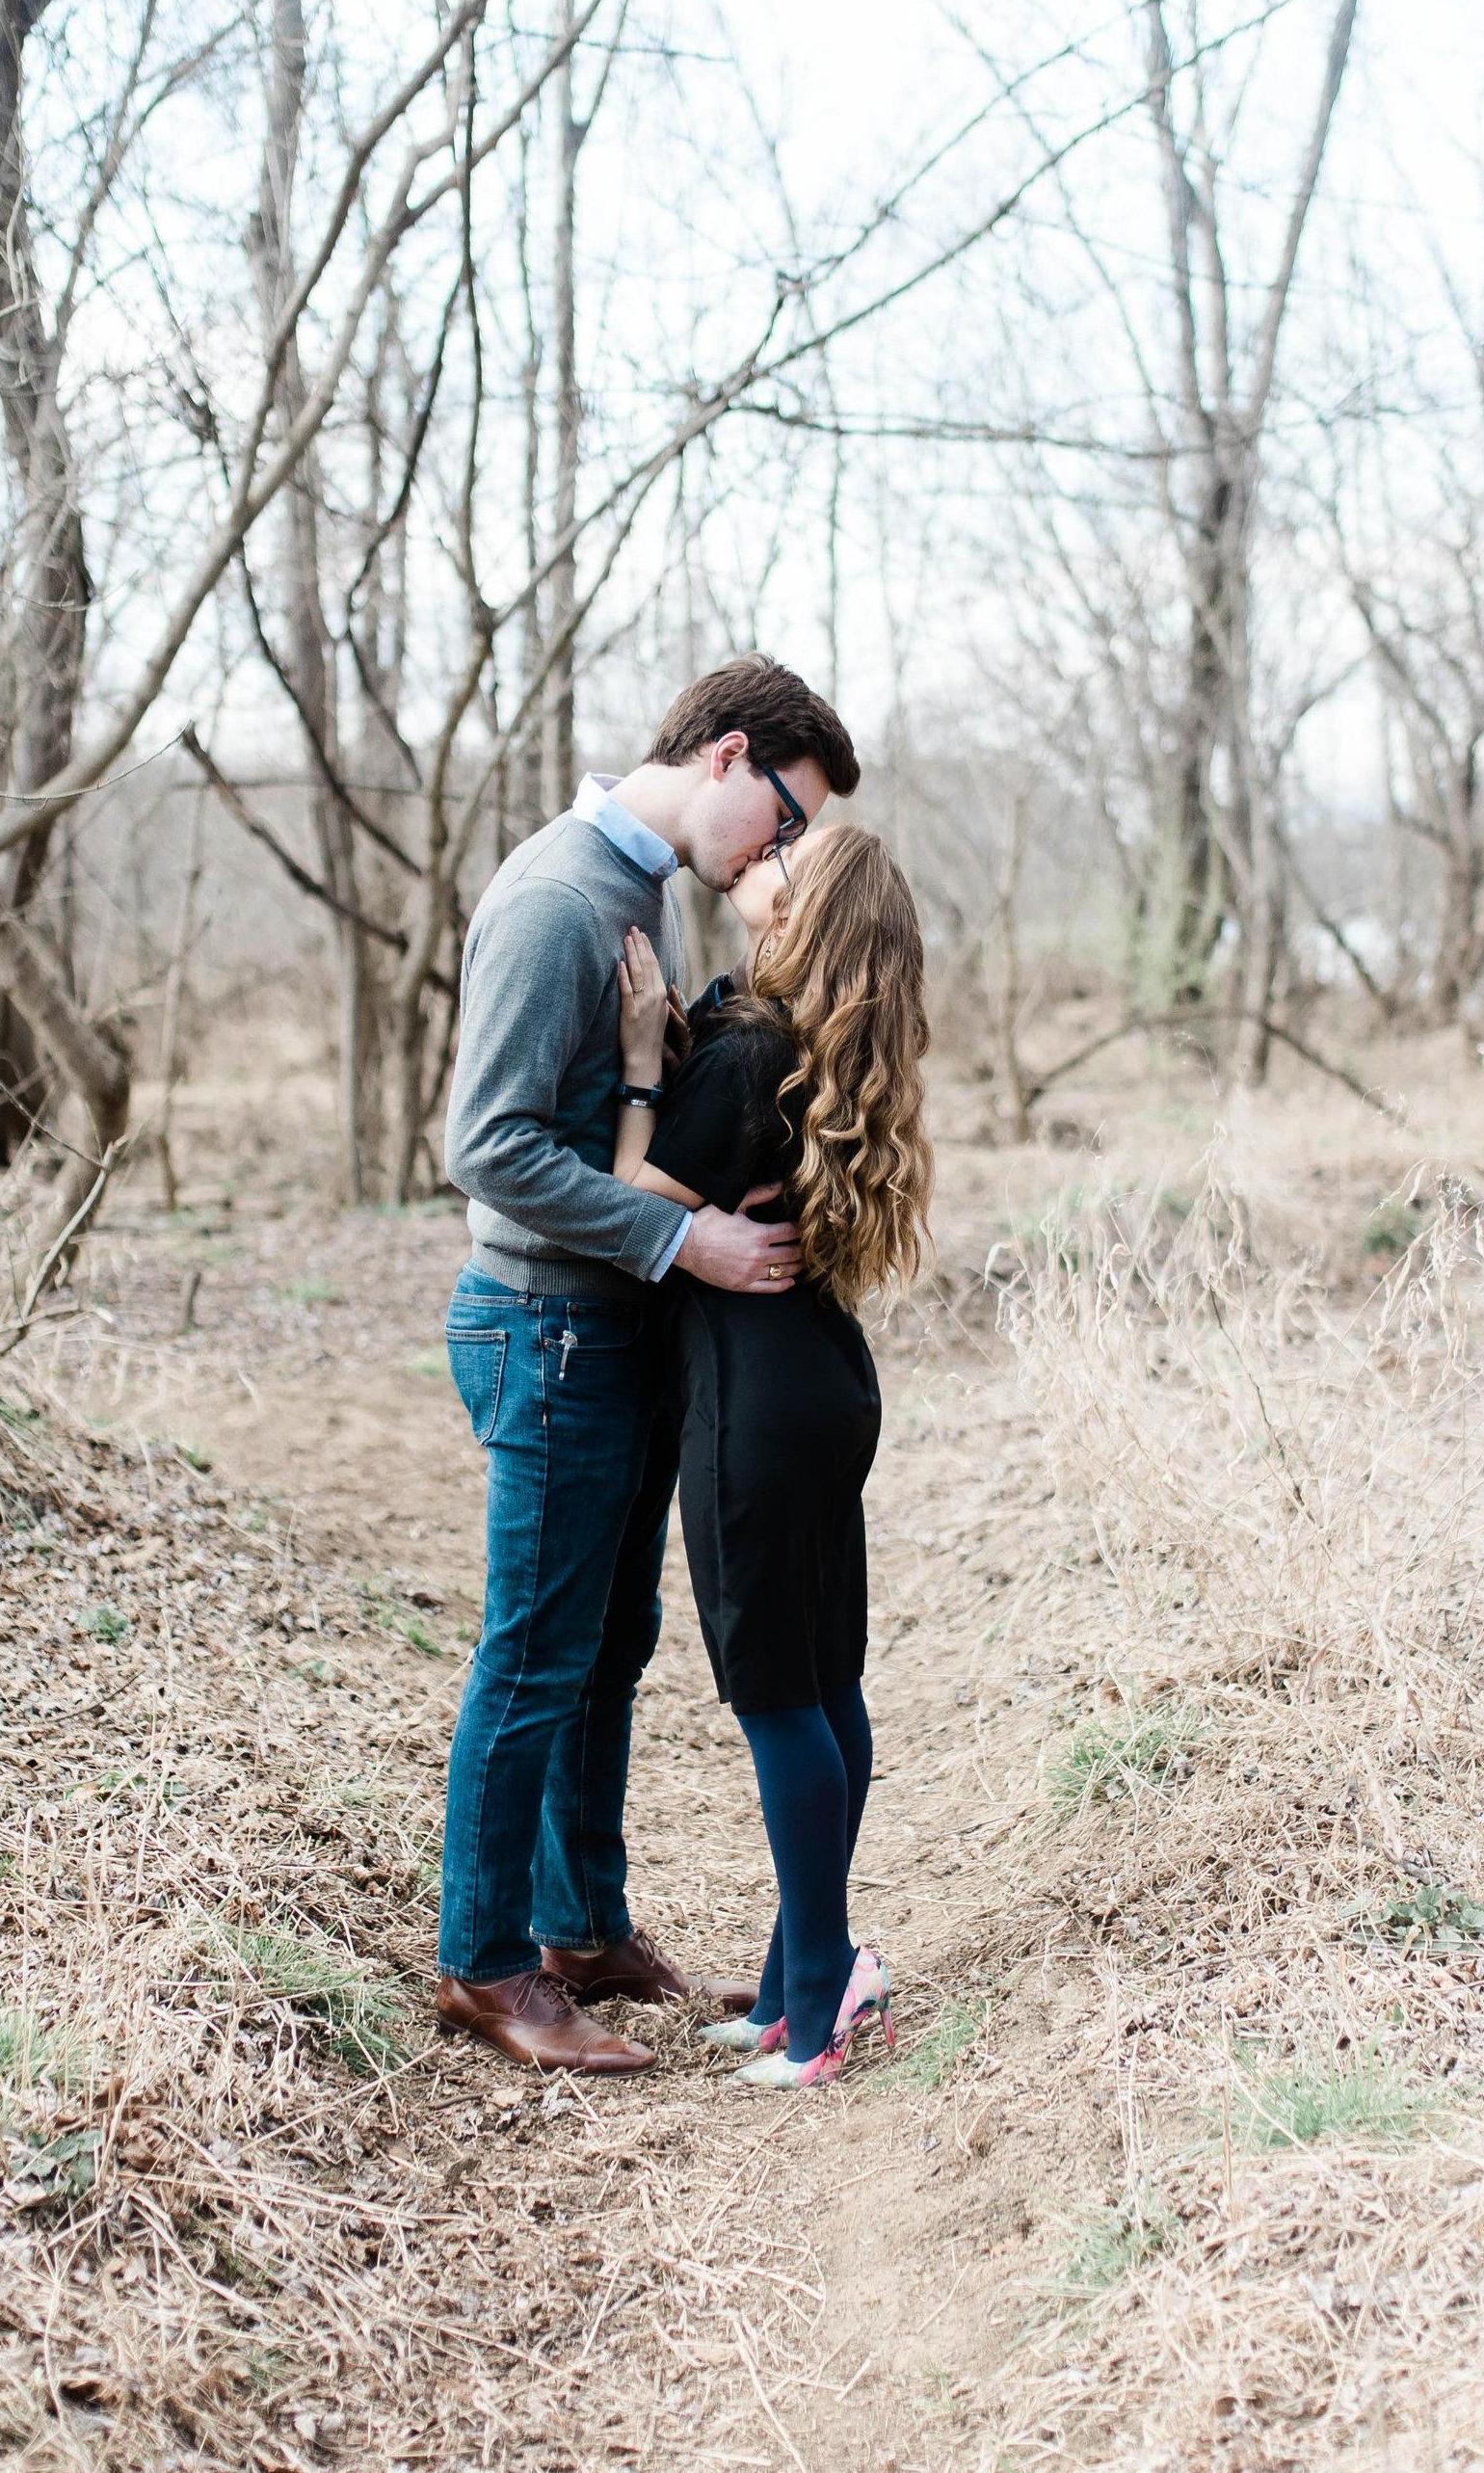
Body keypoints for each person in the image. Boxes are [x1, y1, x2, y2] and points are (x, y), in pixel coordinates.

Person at [435, 655, 861, 2076]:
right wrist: (684, 1250)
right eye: (785, 820)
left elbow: (627, 1108)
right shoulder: (562, 897)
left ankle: (581, 1923)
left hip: (606, 1327)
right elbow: (485, 1147)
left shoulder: (647, 891)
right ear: (728, 757)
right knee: (535, 1653)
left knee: (608, 1650)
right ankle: (486, 1962)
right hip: (544, 1323)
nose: (783, 853)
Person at [608, 819, 933, 2086]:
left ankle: (817, 2008)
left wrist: (641, 1060)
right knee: (824, 1679)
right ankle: (810, 1969)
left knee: (778, 1695)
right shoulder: (808, 1047)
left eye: (779, 870)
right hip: (822, 1382)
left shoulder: (748, 1053)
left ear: (800, 920)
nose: (756, 863)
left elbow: (633, 1199)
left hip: (753, 1400)